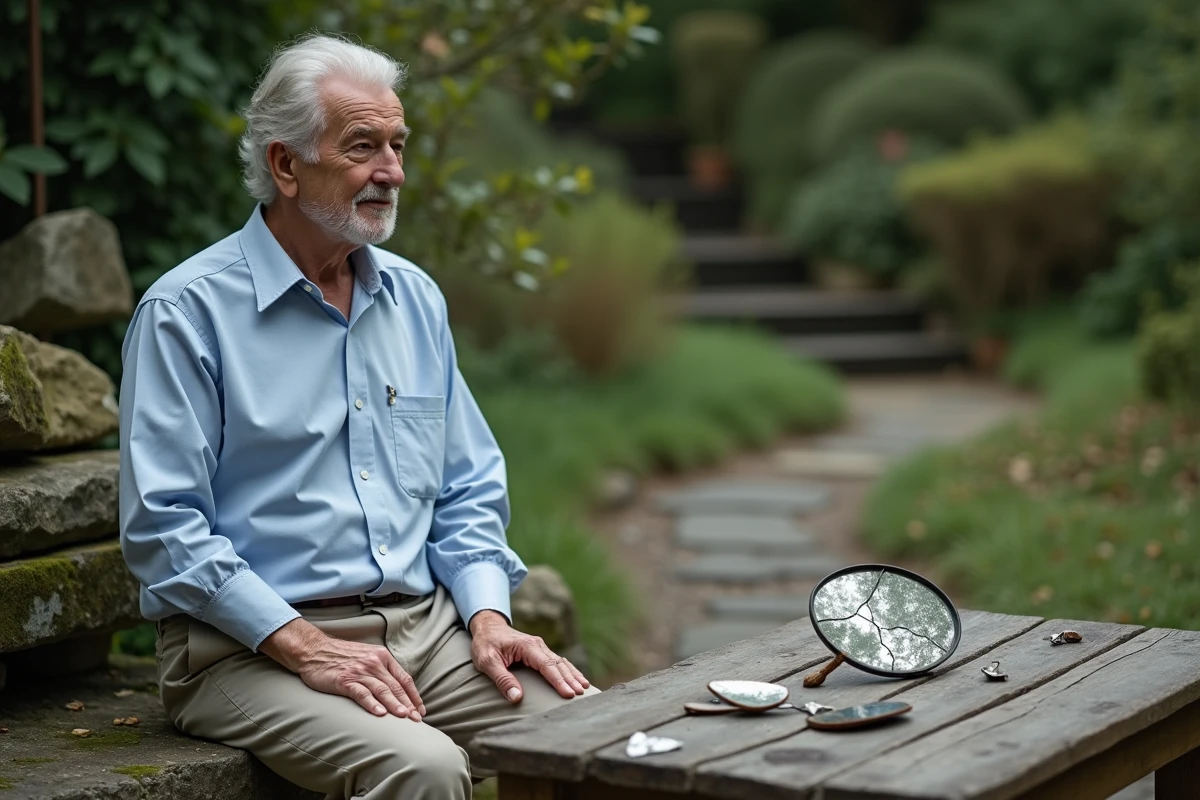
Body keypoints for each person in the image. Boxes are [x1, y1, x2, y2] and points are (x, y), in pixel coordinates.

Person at [118, 33, 594, 799]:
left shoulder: (414, 298)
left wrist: (486, 616)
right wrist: (304, 645)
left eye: (398, 145)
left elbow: (467, 488)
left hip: (425, 631)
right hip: (245, 650)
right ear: (285, 165)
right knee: (427, 769)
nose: (393, 172)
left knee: (596, 736)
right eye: (364, 146)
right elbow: (163, 529)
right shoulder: (187, 312)